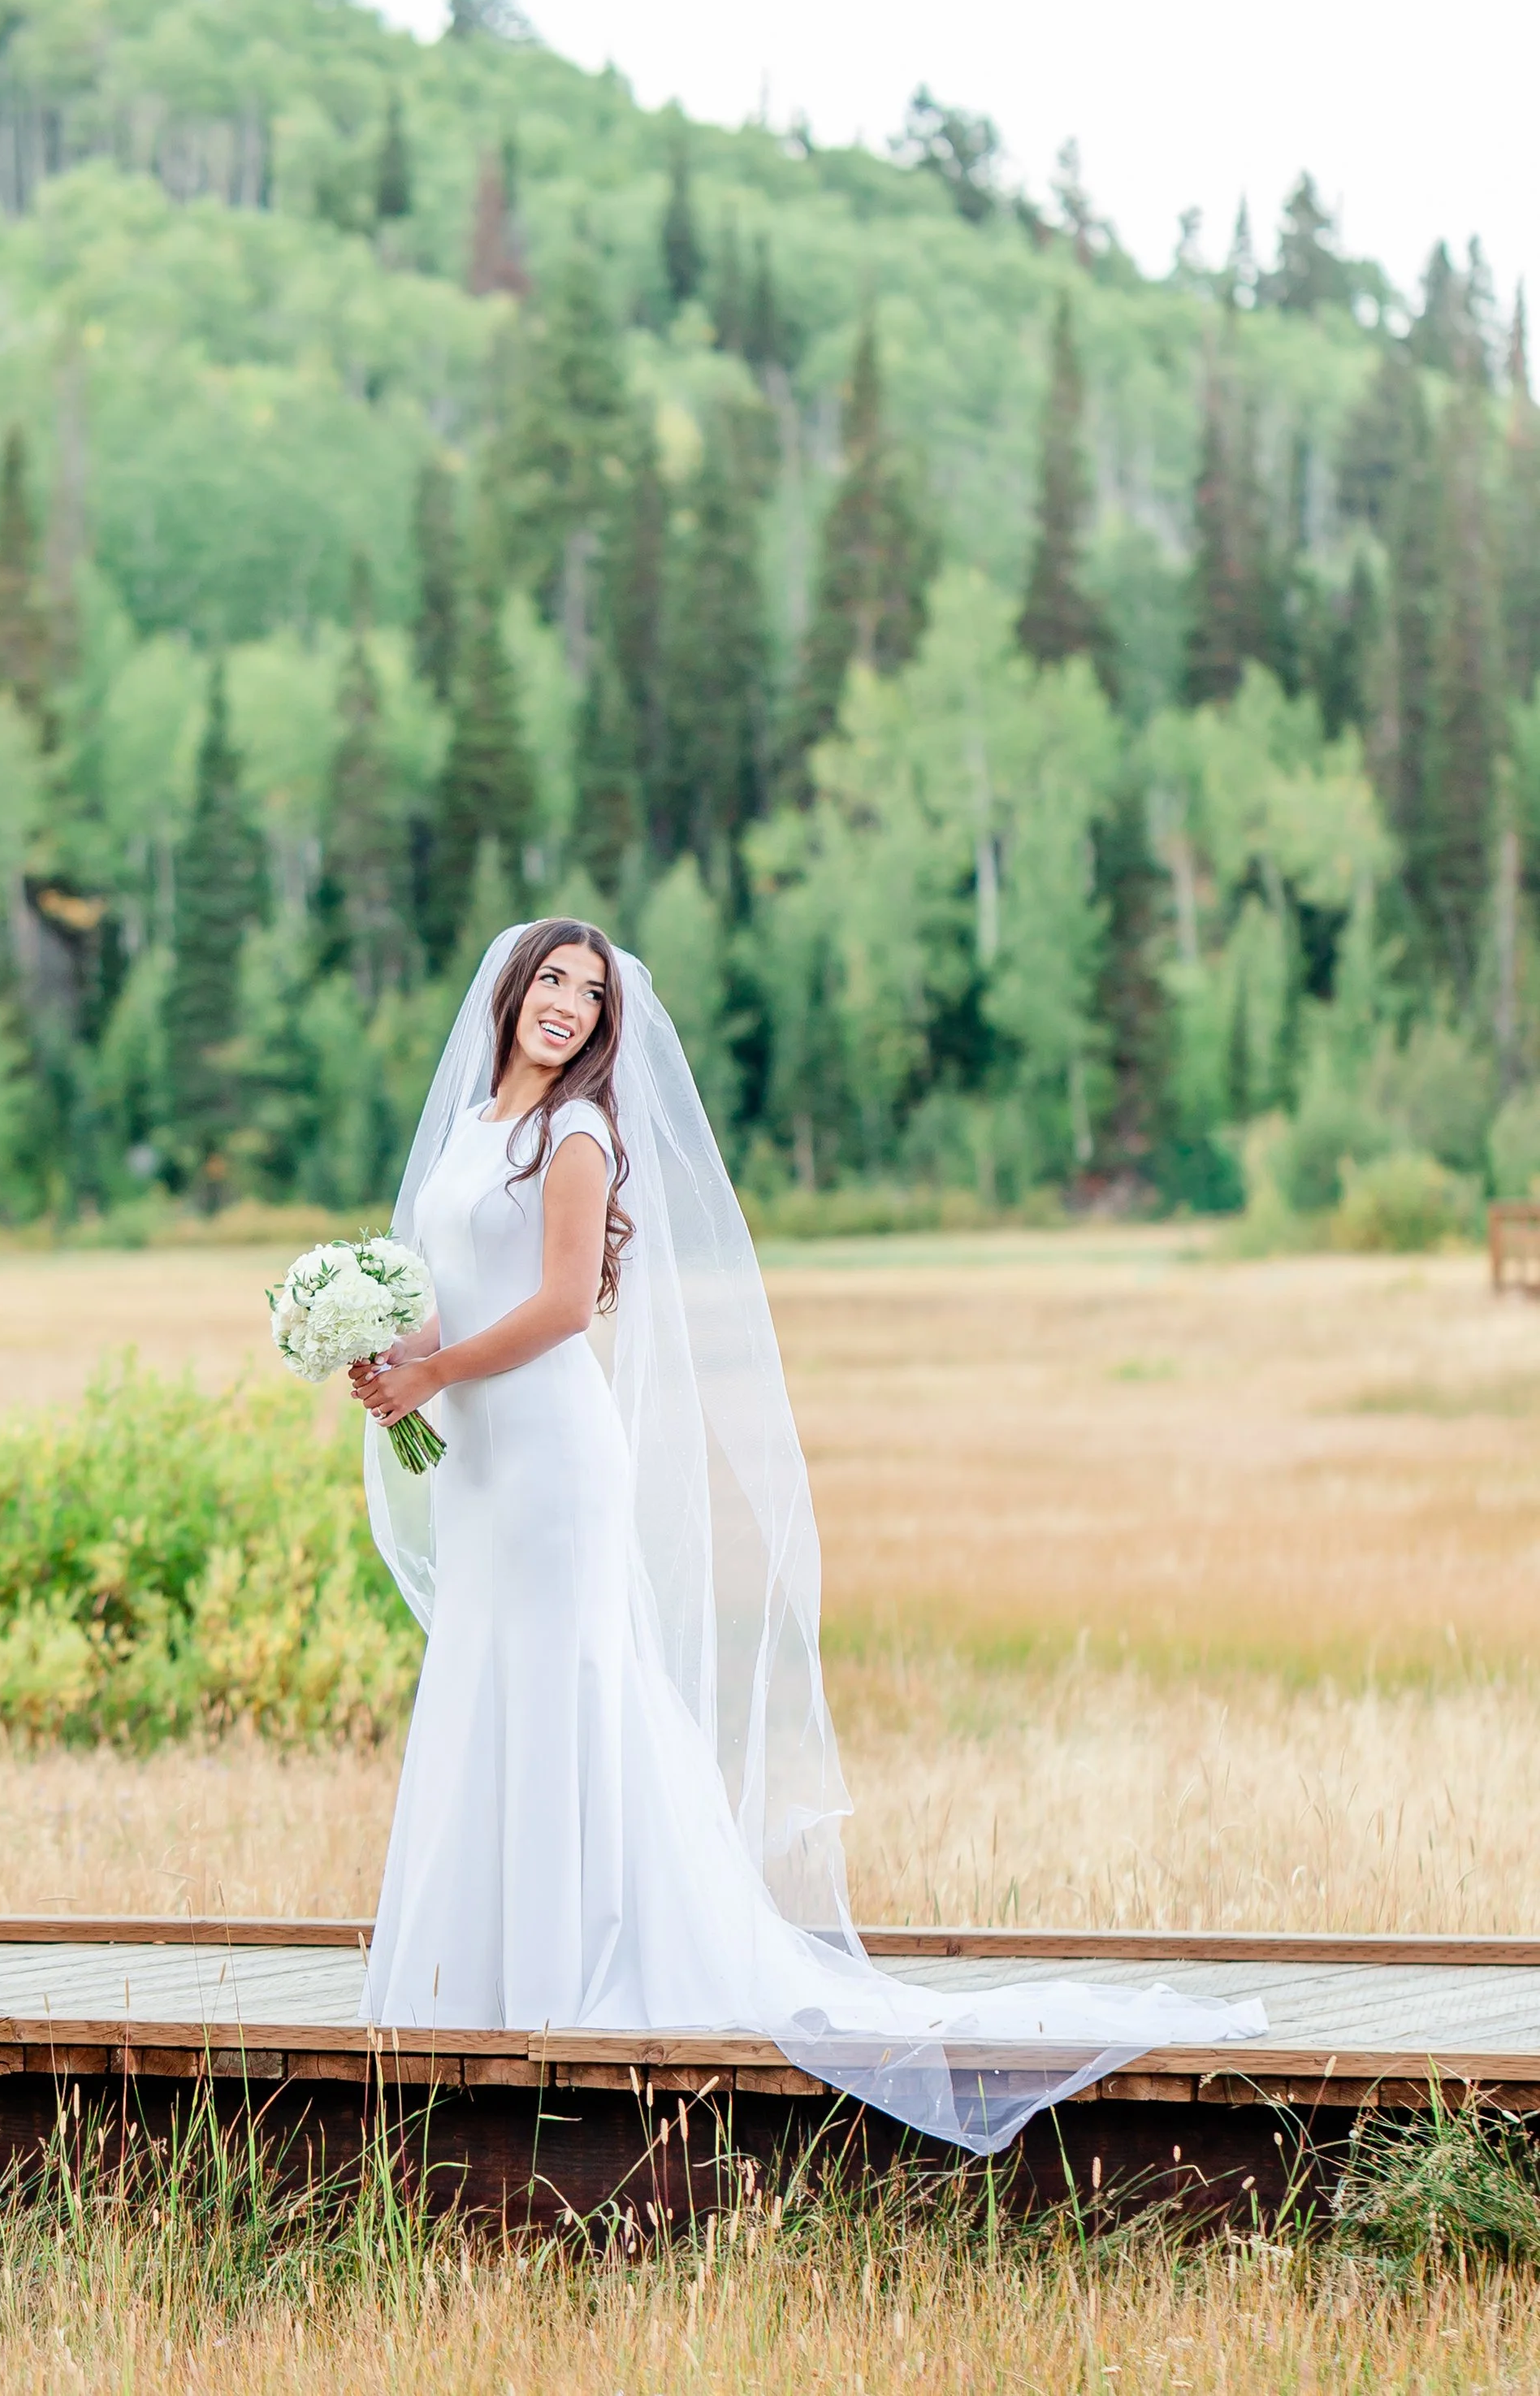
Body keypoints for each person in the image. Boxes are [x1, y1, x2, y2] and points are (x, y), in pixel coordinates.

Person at [351, 918, 1265, 2151]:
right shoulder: (470, 1131)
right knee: (485, 1674)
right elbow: (452, 1290)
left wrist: (441, 1367)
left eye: (591, 992)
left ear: (607, 1026)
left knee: (571, 1677)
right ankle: (478, 1978)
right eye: (552, 981)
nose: (566, 1003)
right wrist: (391, 1354)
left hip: (554, 1458)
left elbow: (565, 1305)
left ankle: (572, 1978)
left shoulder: (575, 1133)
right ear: (511, 994)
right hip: (480, 1460)